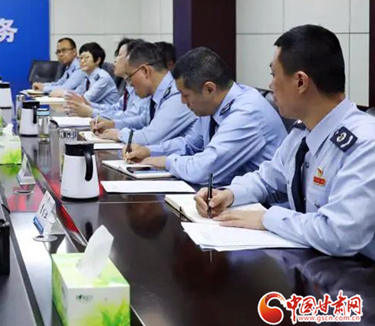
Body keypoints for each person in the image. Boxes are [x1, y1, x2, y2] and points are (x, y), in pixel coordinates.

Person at [195, 25, 375, 260]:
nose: (270, 86)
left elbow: (338, 234)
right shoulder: (302, 132)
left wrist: (266, 219)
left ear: (300, 82)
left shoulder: (365, 143)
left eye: (273, 75)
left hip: (357, 274)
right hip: (314, 264)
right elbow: (267, 179)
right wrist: (229, 194)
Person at [123, 47, 286, 186]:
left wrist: (165, 161)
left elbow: (204, 170)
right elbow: (190, 144)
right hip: (232, 193)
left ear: (209, 89)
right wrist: (149, 151)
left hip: (265, 205)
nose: (182, 101)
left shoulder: (246, 113)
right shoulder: (212, 106)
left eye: (185, 95)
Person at [94, 41, 196, 145]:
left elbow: (150, 138)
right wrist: (113, 124)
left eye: (130, 77)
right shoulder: (157, 94)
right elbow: (144, 120)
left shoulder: (177, 96)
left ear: (145, 71)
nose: (131, 84)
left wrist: (120, 134)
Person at [66, 38, 149, 120]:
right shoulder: (130, 87)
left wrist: (91, 112)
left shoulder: (142, 89)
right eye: (81, 58)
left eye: (119, 55)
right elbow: (116, 108)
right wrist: (89, 105)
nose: (115, 60)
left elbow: (130, 118)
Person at [67, 42, 120, 108]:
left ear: (97, 60)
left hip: (109, 113)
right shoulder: (87, 77)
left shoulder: (103, 78)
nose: (82, 61)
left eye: (86, 58)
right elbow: (76, 93)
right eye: (81, 58)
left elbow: (84, 99)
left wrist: (63, 94)